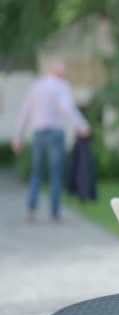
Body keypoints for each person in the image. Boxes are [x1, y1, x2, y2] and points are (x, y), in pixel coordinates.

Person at [12, 60, 90, 222]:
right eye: (64, 71)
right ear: (58, 72)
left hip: (39, 134)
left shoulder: (36, 87)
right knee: (56, 174)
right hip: (55, 134)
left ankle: (30, 210)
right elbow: (66, 108)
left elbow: (25, 112)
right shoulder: (61, 86)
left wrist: (17, 137)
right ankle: (54, 213)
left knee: (37, 173)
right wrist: (83, 126)